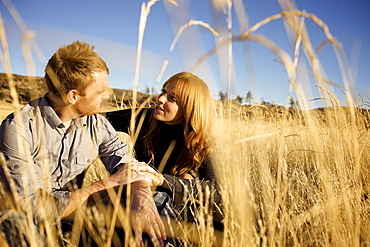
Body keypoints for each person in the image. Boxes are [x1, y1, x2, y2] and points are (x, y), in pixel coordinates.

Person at [0, 41, 166, 246]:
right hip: (34, 225)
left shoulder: (96, 123)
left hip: (79, 216)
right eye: (101, 91)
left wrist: (141, 194)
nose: (107, 96)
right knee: (12, 222)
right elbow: (32, 208)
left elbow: (127, 164)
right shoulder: (19, 128)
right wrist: (111, 183)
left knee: (155, 201)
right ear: (73, 96)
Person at [105, 72, 223, 228]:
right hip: (139, 193)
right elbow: (99, 120)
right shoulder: (143, 118)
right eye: (163, 91)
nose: (160, 99)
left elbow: (217, 192)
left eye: (172, 98)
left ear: (190, 108)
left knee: (186, 180)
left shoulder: (203, 141)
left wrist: (162, 180)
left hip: (180, 214)